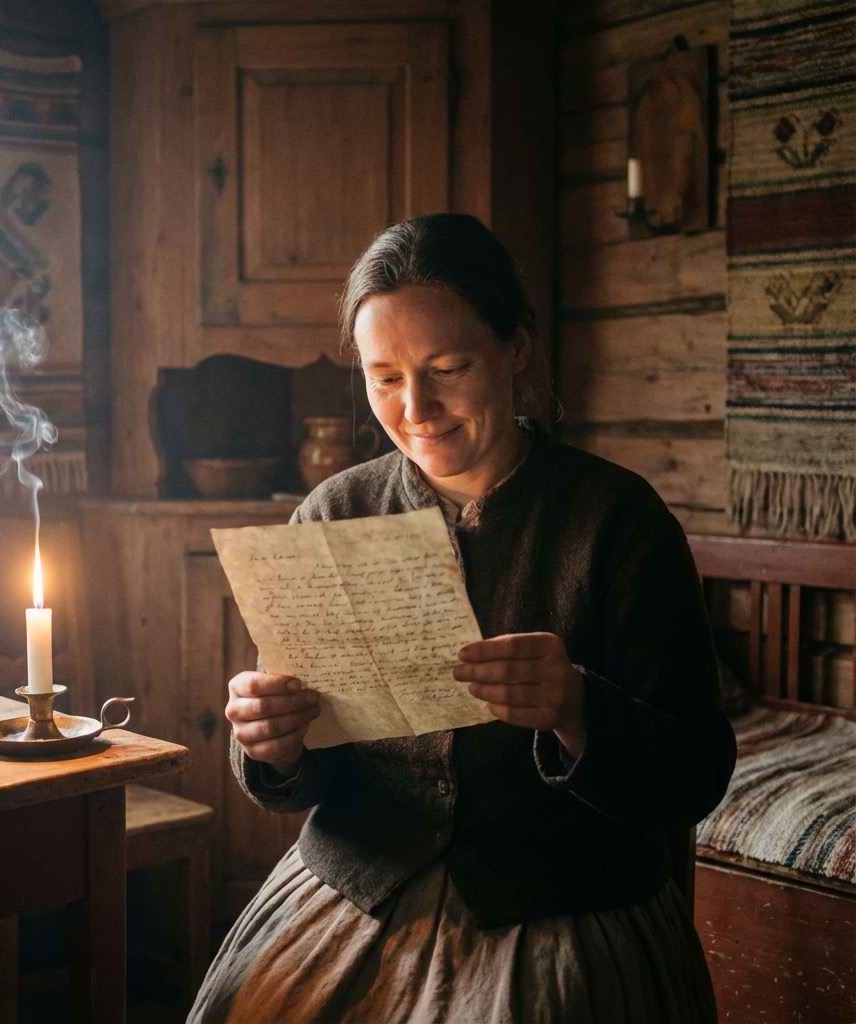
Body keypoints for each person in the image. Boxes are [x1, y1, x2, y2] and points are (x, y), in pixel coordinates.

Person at [188, 213, 737, 1024]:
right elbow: (303, 775)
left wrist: (579, 709)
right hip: (358, 883)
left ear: (517, 349)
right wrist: (272, 745)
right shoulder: (333, 516)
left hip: (562, 898)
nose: (417, 408)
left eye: (448, 368)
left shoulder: (617, 520)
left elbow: (696, 770)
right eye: (384, 378)